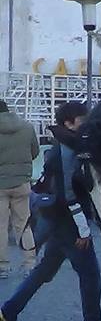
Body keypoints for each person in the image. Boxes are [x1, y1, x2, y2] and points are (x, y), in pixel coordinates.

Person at [0, 101, 101, 321]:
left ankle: (8, 312)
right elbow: (69, 194)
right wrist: (84, 230)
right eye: (81, 119)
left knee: (44, 270)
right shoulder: (68, 150)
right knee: (90, 273)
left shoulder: (63, 145)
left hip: (57, 217)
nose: (85, 123)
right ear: (69, 122)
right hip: (69, 222)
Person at [0, 99, 40, 278]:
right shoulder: (26, 127)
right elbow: (35, 152)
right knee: (23, 225)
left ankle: (2, 266)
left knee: (0, 227)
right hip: (22, 183)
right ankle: (30, 263)